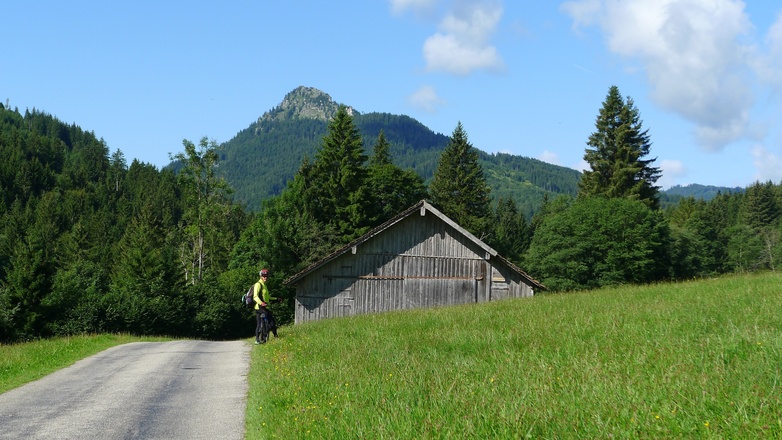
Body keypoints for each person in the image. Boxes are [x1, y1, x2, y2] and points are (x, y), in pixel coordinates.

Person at [253, 269, 277, 344]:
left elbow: (268, 297)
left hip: (264, 307)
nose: (265, 277)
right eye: (264, 276)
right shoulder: (258, 284)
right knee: (260, 324)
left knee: (272, 322)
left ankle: (275, 335)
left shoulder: (264, 286)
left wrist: (276, 299)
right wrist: (261, 303)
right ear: (261, 276)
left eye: (266, 276)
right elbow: (255, 296)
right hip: (259, 307)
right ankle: (257, 339)